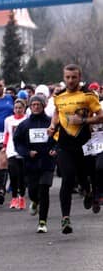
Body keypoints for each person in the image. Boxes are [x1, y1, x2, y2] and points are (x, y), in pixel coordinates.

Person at [50, 64, 103, 233]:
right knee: (67, 177)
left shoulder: (88, 95)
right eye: (67, 77)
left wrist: (84, 121)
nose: (70, 80)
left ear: (79, 77)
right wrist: (53, 125)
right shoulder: (58, 96)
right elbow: (57, 113)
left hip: (84, 144)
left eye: (74, 77)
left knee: (83, 176)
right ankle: (65, 218)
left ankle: (88, 191)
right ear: (64, 78)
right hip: (64, 145)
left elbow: (101, 116)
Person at [14, 96, 56, 233]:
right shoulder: (24, 125)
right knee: (32, 191)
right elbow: (17, 142)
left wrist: (54, 149)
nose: (36, 107)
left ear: (43, 106)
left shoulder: (51, 122)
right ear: (30, 107)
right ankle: (34, 201)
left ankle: (42, 222)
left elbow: (59, 138)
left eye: (39, 104)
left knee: (44, 190)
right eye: (33, 104)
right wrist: (27, 152)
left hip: (47, 162)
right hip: (31, 164)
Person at [1, 98, 27, 210]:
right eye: (16, 108)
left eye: (20, 108)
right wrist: (4, 146)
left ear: (24, 108)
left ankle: (22, 197)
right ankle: (14, 198)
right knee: (13, 174)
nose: (18, 110)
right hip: (11, 149)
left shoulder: (27, 119)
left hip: (24, 150)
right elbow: (7, 133)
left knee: (22, 176)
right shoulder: (8, 120)